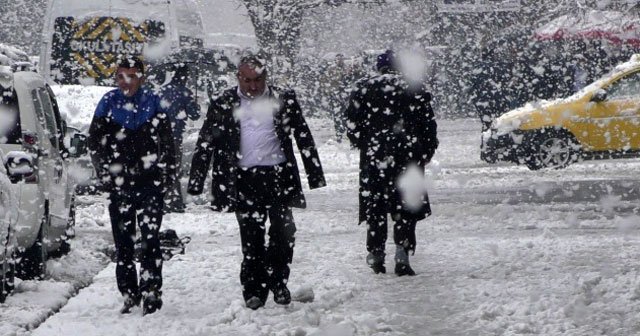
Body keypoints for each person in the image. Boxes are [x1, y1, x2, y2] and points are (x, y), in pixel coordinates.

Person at [187, 54, 326, 309]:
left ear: (266, 77)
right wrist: (197, 181)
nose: (253, 86)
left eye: (258, 79)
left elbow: (303, 134)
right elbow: (206, 141)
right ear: (238, 77)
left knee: (284, 233)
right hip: (243, 179)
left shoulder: (283, 99)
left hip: (278, 176)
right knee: (251, 237)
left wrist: (314, 173)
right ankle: (254, 291)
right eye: (247, 80)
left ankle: (278, 281)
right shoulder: (224, 102)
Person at [88, 56, 176, 315]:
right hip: (120, 184)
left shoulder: (153, 103)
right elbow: (95, 142)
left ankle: (151, 291)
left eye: (132, 76)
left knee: (150, 239)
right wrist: (104, 173)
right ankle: (128, 292)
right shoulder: (108, 103)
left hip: (150, 182)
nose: (126, 82)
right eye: (121, 76)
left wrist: (167, 175)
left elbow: (168, 143)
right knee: (124, 242)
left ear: (142, 78)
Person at [344, 49, 438, 276]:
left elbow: (351, 125)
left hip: (374, 158)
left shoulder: (363, 88)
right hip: (408, 156)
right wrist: (426, 150)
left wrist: (365, 142)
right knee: (405, 204)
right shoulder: (414, 88)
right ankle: (402, 251)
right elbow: (428, 125)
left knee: (375, 205)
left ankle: (376, 252)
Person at [159, 64, 200, 213]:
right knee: (174, 168)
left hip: (159, 136)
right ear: (185, 77)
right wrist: (196, 106)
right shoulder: (185, 93)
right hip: (174, 136)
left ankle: (161, 199)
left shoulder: (162, 90)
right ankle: (173, 201)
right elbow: (194, 115)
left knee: (162, 167)